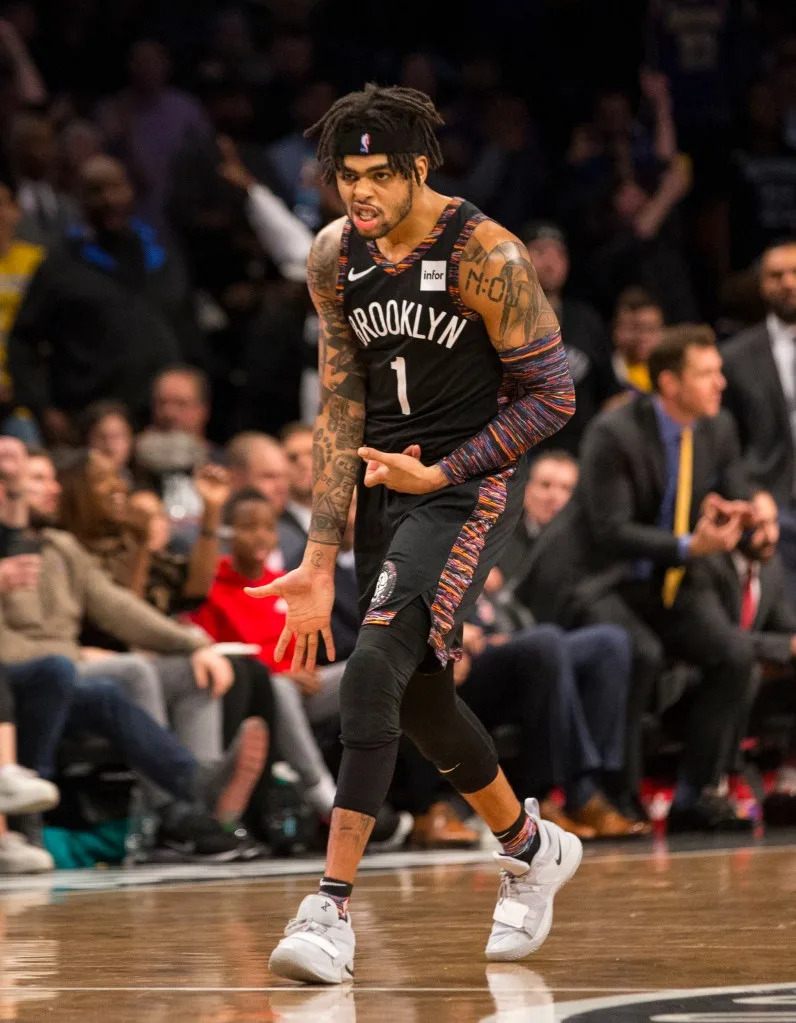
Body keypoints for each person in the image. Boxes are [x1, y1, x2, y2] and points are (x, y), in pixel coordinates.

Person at [246, 83, 578, 984]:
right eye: (345, 176)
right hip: (384, 486)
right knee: (421, 699)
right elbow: (340, 407)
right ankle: (531, 846)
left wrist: (446, 470)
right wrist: (318, 556)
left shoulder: (486, 252)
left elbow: (554, 394)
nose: (359, 192)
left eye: (378, 176)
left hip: (465, 486)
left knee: (370, 671)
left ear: (420, 169)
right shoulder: (333, 255)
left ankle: (330, 908)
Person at [518, 325, 757, 833]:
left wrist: (749, 518)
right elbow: (610, 530)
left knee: (735, 654)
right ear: (670, 383)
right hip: (597, 576)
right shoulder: (615, 431)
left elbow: (736, 493)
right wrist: (690, 545)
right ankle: (617, 795)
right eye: (706, 374)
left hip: (666, 580)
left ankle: (695, 795)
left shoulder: (718, 427)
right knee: (639, 650)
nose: (720, 383)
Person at [7, 156, 193, 442]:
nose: (109, 199)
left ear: (131, 190)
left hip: (160, 417)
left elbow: (186, 325)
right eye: (95, 191)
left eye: (116, 187)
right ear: (78, 199)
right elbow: (22, 342)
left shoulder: (161, 254)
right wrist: (42, 408)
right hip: (89, 421)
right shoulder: (61, 264)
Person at [687, 491, 796, 827]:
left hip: (746, 675)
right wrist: (786, 646)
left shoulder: (769, 567)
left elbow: (786, 628)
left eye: (773, 523)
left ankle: (789, 778)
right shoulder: (705, 565)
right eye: (759, 526)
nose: (772, 535)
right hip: (696, 679)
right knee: (742, 668)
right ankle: (706, 792)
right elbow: (722, 636)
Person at [721, 239, 796, 605]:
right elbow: (725, 443)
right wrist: (750, 492)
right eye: (776, 275)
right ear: (762, 285)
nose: (788, 283)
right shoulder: (734, 358)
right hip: (770, 501)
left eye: (795, 272)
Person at [524, 222, 621, 454]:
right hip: (520, 456)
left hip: (579, 454)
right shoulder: (499, 318)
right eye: (540, 251)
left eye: (559, 253)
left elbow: (612, 394)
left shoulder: (586, 320)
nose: (550, 261)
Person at [611, 287, 665, 394]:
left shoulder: (673, 376)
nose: (643, 337)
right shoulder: (604, 375)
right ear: (616, 330)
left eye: (651, 329)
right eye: (634, 328)